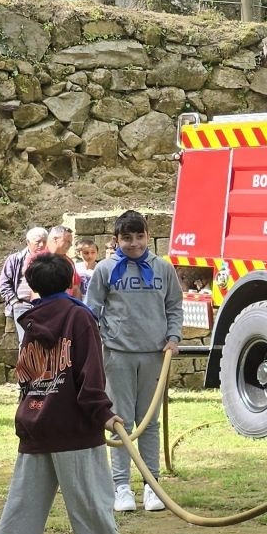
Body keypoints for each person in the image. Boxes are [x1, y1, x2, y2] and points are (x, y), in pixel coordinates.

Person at [0, 251, 155, 534]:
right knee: (92, 502)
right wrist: (103, 413)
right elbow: (89, 373)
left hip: (36, 423)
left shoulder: (31, 320)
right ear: (72, 280)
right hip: (74, 428)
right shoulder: (79, 317)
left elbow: (26, 376)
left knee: (23, 506)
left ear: (33, 286)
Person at [85, 211, 182, 514]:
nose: (134, 243)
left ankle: (152, 484)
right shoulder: (105, 269)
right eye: (127, 238)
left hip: (155, 355)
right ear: (116, 240)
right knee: (121, 422)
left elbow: (174, 306)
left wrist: (174, 337)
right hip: (118, 355)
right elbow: (91, 310)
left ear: (148, 236)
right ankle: (121, 486)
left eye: (140, 236)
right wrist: (96, 344)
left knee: (149, 422)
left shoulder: (163, 268)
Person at [0, 226, 49, 342]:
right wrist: (15, 302)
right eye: (38, 242)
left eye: (44, 241)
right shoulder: (15, 259)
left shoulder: (50, 259)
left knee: (45, 341)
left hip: (45, 305)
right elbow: (4, 284)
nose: (41, 245)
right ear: (28, 242)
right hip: (23, 305)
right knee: (26, 341)